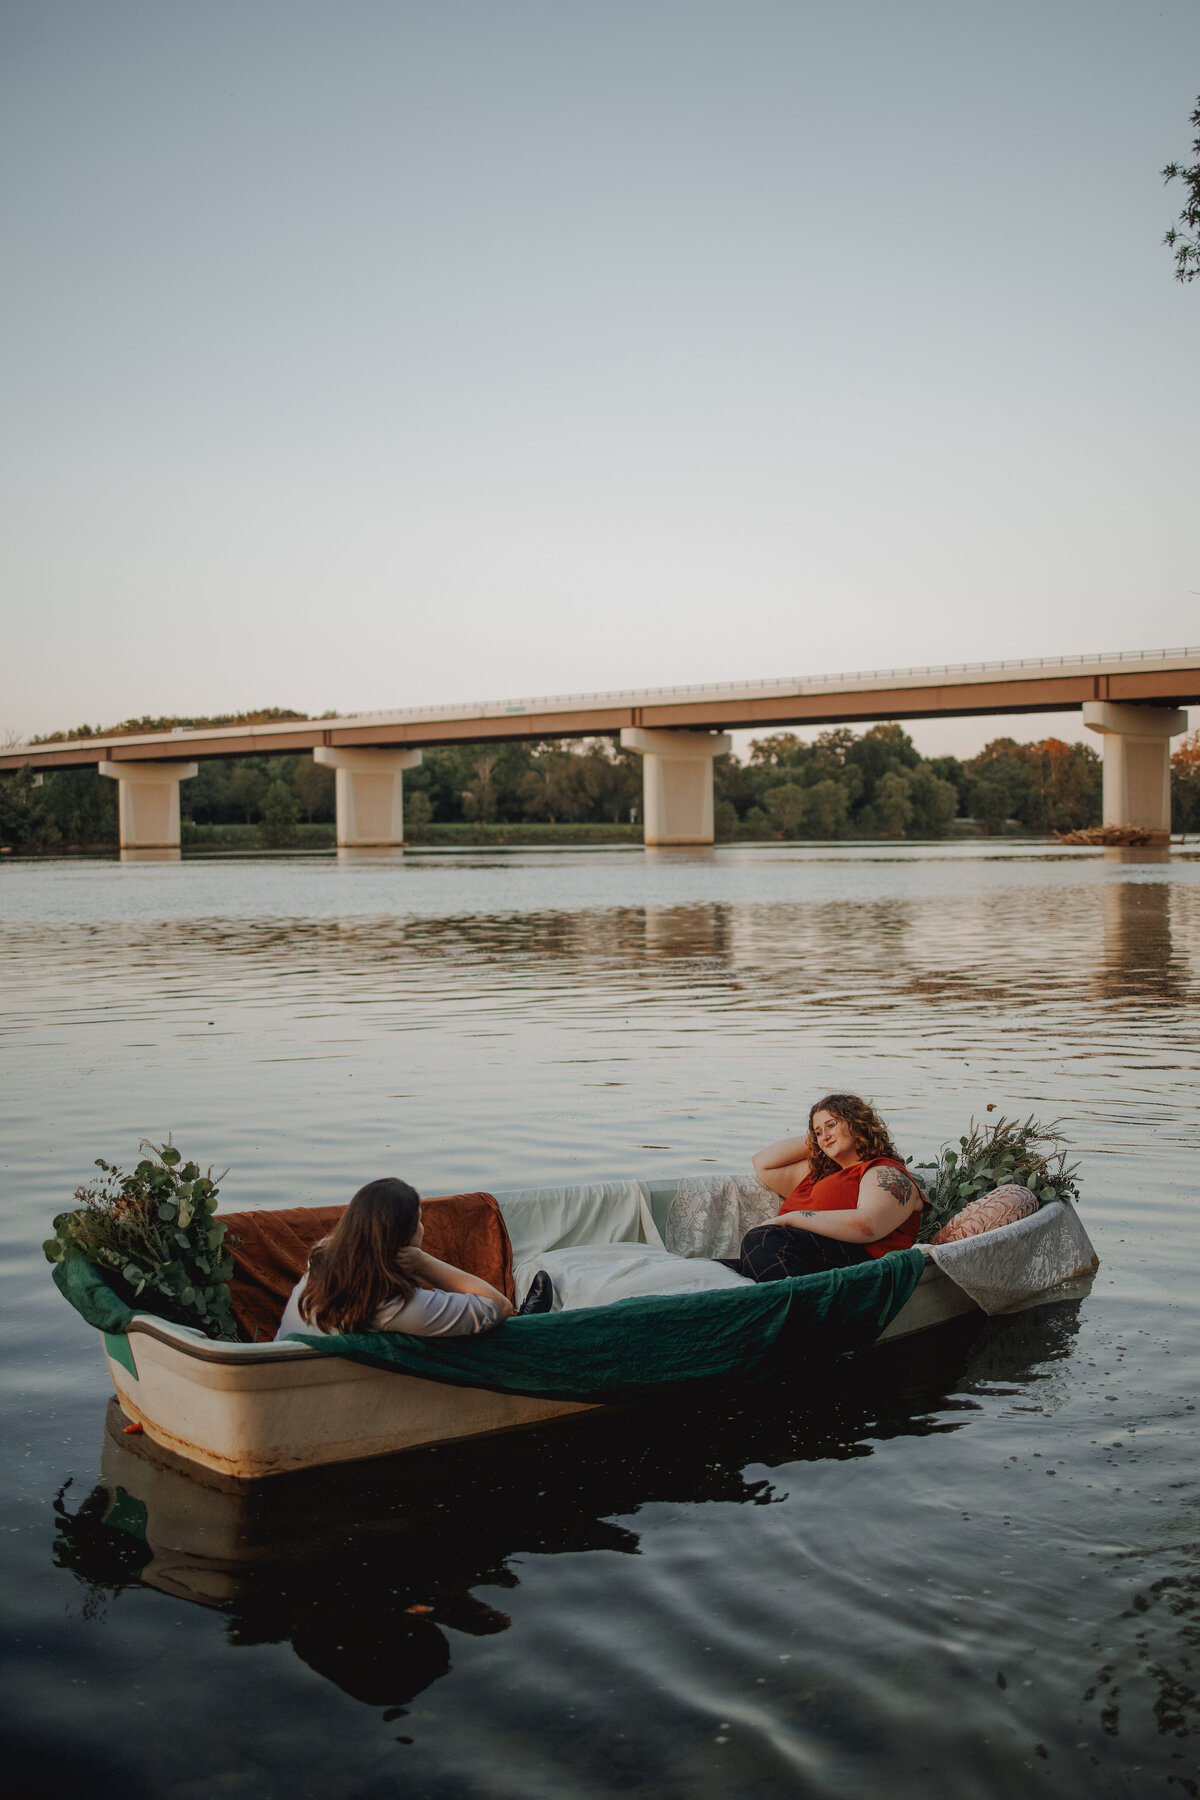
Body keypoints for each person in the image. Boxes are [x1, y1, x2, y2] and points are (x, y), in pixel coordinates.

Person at [275, 1177, 516, 1339]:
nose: (423, 1227)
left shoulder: (320, 1260)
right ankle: (526, 1318)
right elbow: (499, 1306)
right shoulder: (393, 1306)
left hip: (285, 1379)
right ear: (405, 1237)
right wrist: (423, 1262)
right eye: (419, 1220)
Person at [729, 1093, 927, 1282]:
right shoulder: (819, 1174)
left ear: (856, 1123)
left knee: (761, 1240)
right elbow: (763, 1163)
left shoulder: (882, 1171)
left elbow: (869, 1225)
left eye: (832, 1125)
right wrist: (819, 1140)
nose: (824, 1136)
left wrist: (790, 1219)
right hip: (797, 1256)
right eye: (817, 1132)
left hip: (860, 1266)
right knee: (714, 1269)